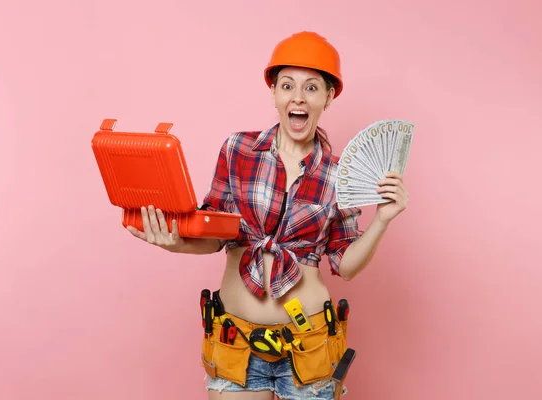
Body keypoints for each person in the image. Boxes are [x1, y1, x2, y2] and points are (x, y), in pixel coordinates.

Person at [127, 31, 409, 400]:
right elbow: (216, 235)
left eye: (311, 88)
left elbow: (347, 264)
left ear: (329, 97)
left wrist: (383, 219)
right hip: (235, 343)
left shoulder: (341, 176)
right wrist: (174, 243)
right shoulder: (237, 149)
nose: (298, 97)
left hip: (308, 348)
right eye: (287, 85)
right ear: (274, 93)